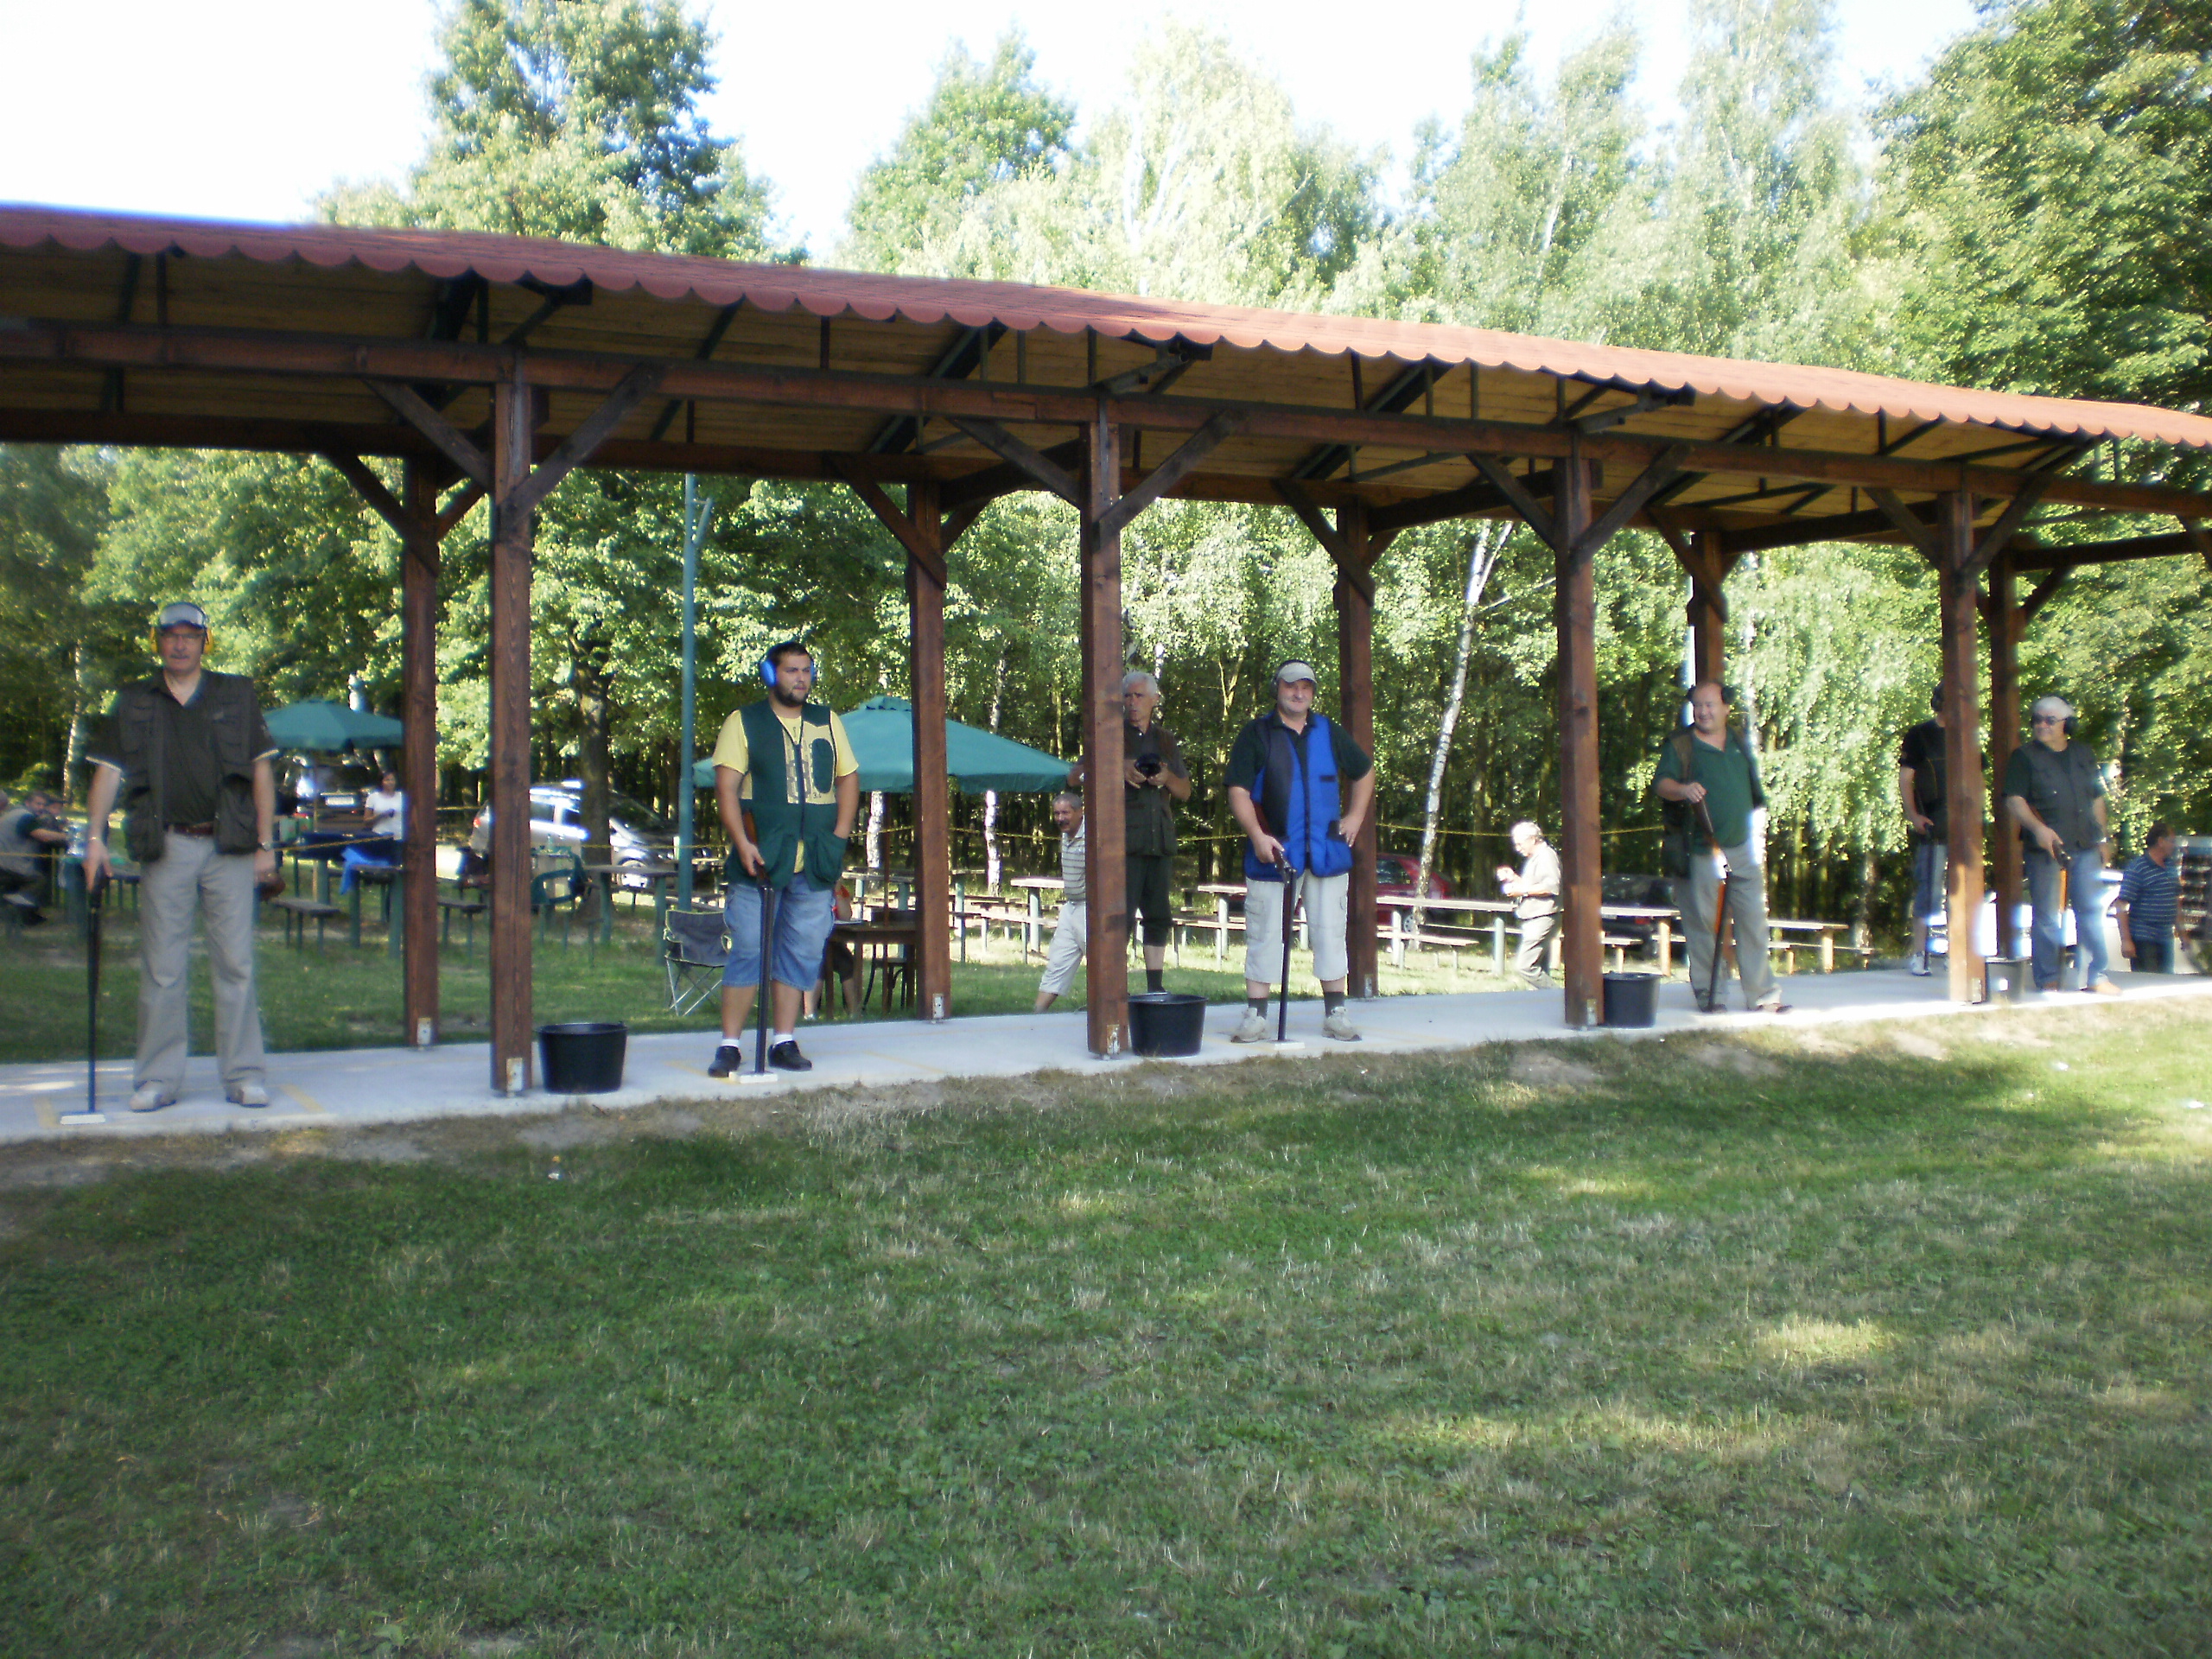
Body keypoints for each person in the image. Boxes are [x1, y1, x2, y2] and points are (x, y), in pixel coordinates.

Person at [81, 601, 280, 1111]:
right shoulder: (133, 699)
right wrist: (95, 839)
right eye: (171, 635)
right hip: (165, 844)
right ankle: (158, 1080)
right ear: (158, 642)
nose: (180, 644)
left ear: (204, 642)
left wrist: (266, 845)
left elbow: (261, 771)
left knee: (235, 964)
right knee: (162, 968)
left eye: (190, 635)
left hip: (229, 846)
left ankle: (244, 1075)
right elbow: (107, 772)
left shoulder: (237, 694)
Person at [706, 640, 859, 1074]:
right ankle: (730, 1045)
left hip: (815, 861)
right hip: (761, 857)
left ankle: (784, 1040)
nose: (801, 679)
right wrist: (742, 842)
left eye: (807, 670)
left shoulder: (827, 721)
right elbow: (726, 788)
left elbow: (848, 779)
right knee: (749, 948)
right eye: (792, 670)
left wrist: (839, 836)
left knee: (803, 950)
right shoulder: (744, 721)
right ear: (771, 675)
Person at [1225, 659, 1375, 1042]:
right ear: (1277, 688)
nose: (1298, 692)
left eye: (1306, 686)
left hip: (1326, 853)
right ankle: (1256, 1015)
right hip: (1274, 852)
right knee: (1264, 932)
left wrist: (1355, 816)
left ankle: (1336, 1013)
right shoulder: (1256, 733)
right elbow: (1238, 791)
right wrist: (1257, 836)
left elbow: (1364, 771)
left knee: (1331, 933)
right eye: (1291, 685)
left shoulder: (1329, 731)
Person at [1654, 681, 1789, 1014]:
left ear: (1726, 708)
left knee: (1753, 922)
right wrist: (1683, 790)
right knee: (1703, 925)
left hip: (1740, 847)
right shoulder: (1681, 744)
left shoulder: (1737, 741)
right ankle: (1711, 994)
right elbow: (1662, 784)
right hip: (1699, 849)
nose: (1703, 712)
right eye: (1697, 705)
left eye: (1709, 705)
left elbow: (1753, 794)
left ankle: (1763, 996)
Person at [1070, 671, 1191, 995]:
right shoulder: (1108, 735)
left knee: (1158, 917)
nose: (1133, 702)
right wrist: (1116, 767)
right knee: (1117, 918)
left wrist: (1165, 778)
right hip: (1120, 844)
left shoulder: (1166, 740)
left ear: (1155, 700)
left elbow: (1185, 791)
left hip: (1158, 841)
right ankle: (1111, 991)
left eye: (1139, 696)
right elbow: (1074, 777)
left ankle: (1155, 988)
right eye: (1128, 696)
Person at [2002, 695, 2116, 995]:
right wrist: (2039, 830)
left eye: (2049, 720)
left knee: (2090, 911)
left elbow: (2097, 798)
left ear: (2067, 724)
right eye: (2037, 720)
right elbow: (2014, 800)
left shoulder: (2083, 753)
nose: (2042, 725)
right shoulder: (2023, 756)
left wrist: (2103, 838)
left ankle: (2096, 976)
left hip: (2086, 843)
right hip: (2046, 848)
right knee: (2047, 916)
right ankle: (2048, 979)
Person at [1897, 688, 1948, 976]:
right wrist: (1913, 814)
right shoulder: (1920, 735)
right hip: (1932, 820)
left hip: (1962, 825)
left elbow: (1977, 777)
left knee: (1962, 891)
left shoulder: (1967, 735)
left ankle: (1957, 950)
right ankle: (1920, 953)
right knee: (1929, 888)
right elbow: (1906, 777)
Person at [1033, 791, 1089, 1012]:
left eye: (1066, 813)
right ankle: (1036, 1016)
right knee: (1057, 962)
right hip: (1070, 906)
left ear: (1080, 812)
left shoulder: (1094, 835)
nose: (1060, 818)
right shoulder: (1066, 835)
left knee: (1103, 964)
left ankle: (1112, 1011)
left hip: (1090, 908)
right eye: (1057, 814)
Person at [1494, 820, 1560, 989]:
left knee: (1525, 966)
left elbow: (1552, 887)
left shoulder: (1546, 856)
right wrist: (1514, 878)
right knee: (1539, 967)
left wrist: (1521, 891)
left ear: (1532, 839)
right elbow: (1532, 885)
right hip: (1534, 916)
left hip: (1543, 916)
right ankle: (1549, 1001)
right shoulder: (1535, 857)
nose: (1517, 848)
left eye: (1520, 844)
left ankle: (1560, 997)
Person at [2116, 822, 2180, 976]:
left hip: (2165, 936)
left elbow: (2175, 901)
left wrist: (2183, 933)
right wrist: (2126, 940)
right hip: (2143, 937)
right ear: (2160, 841)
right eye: (2172, 841)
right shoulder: (2138, 868)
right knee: (2148, 980)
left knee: (2166, 982)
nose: (2174, 845)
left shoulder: (2171, 867)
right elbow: (2121, 905)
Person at [0, 788, 70, 925]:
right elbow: (43, 836)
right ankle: (18, 912)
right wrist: (67, 836)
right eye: (38, 804)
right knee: (39, 880)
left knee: (37, 872)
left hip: (6, 861)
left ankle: (25, 913)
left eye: (44, 805)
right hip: (8, 865)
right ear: (28, 803)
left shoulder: (14, 813)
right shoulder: (25, 817)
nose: (41, 808)